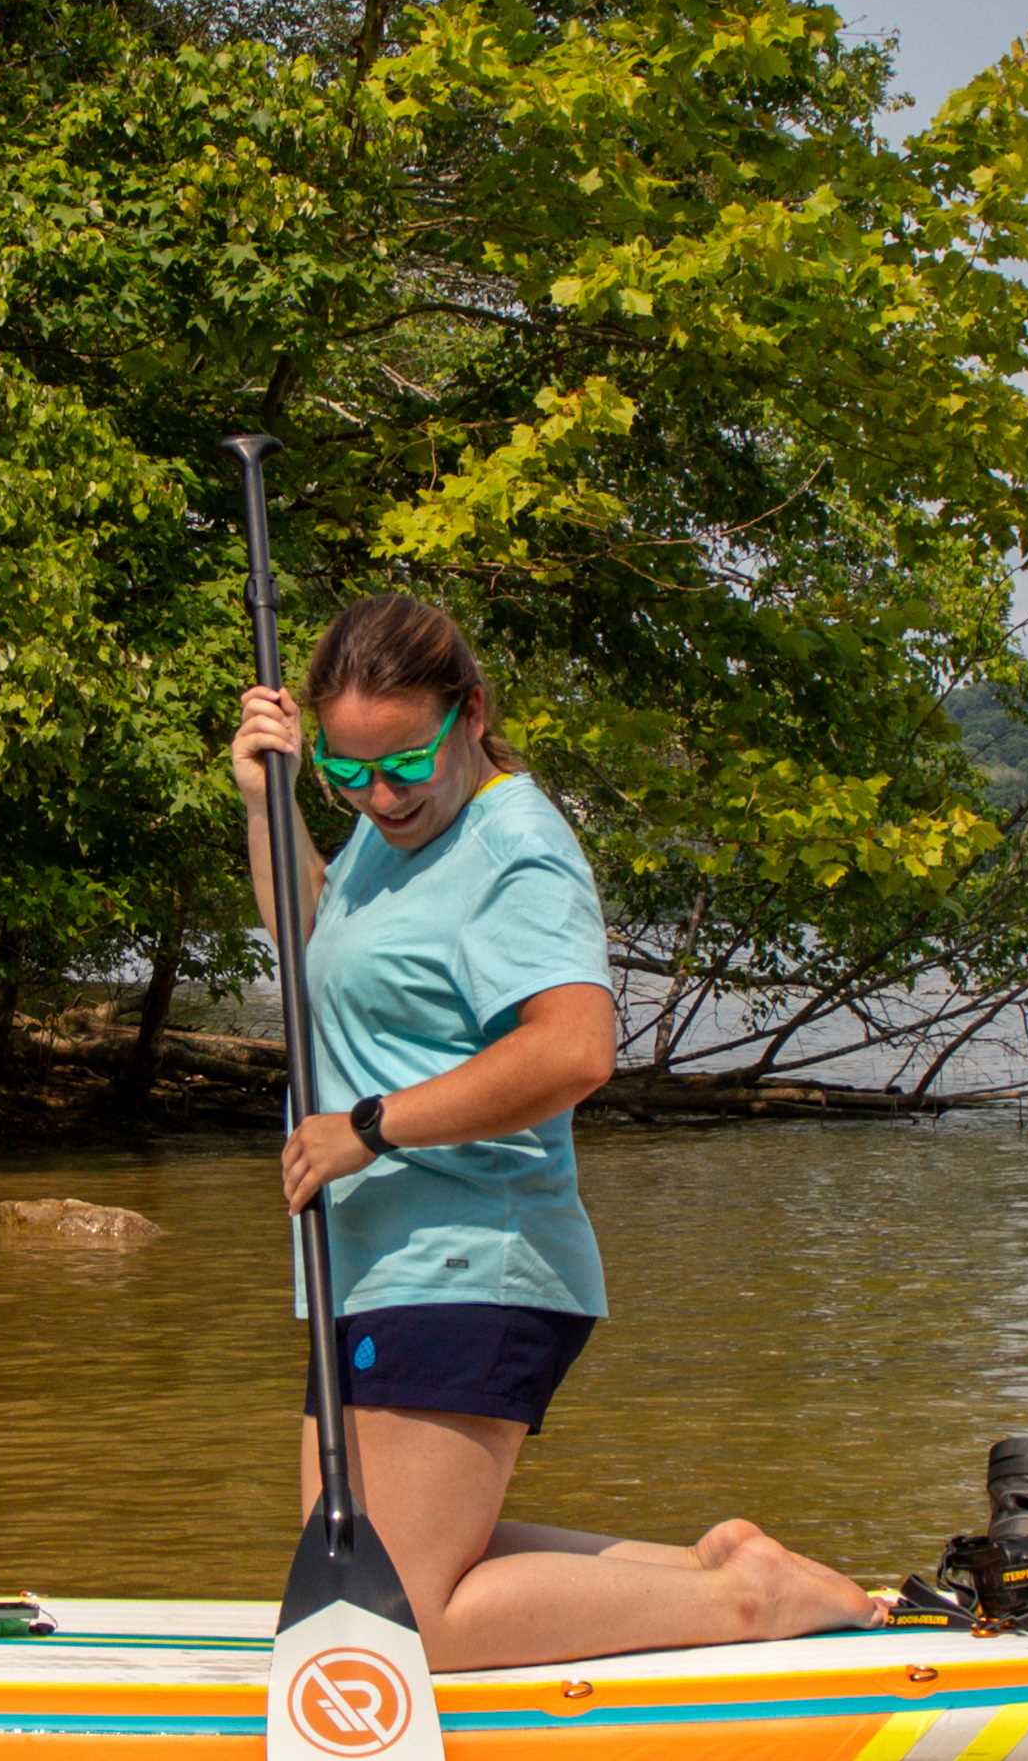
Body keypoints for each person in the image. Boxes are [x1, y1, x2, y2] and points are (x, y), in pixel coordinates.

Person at [228, 589, 877, 1665]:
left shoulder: (512, 849)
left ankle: (743, 1607)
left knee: (394, 1621)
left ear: (470, 711)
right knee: (348, 1565)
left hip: (469, 1256)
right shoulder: (395, 831)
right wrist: (271, 801)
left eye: (400, 764)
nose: (380, 797)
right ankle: (717, 1575)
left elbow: (572, 1049)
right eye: (349, 771)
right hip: (375, 1262)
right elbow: (319, 943)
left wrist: (368, 1128)